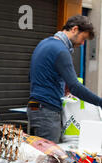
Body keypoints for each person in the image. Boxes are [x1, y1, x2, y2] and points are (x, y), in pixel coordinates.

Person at [28, 15, 102, 143]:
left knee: (40, 157)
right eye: (83, 38)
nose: (82, 43)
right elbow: (75, 86)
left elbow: (32, 76)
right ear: (74, 29)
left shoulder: (44, 43)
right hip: (47, 111)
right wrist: (100, 102)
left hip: (35, 109)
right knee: (51, 158)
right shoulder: (61, 50)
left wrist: (61, 88)